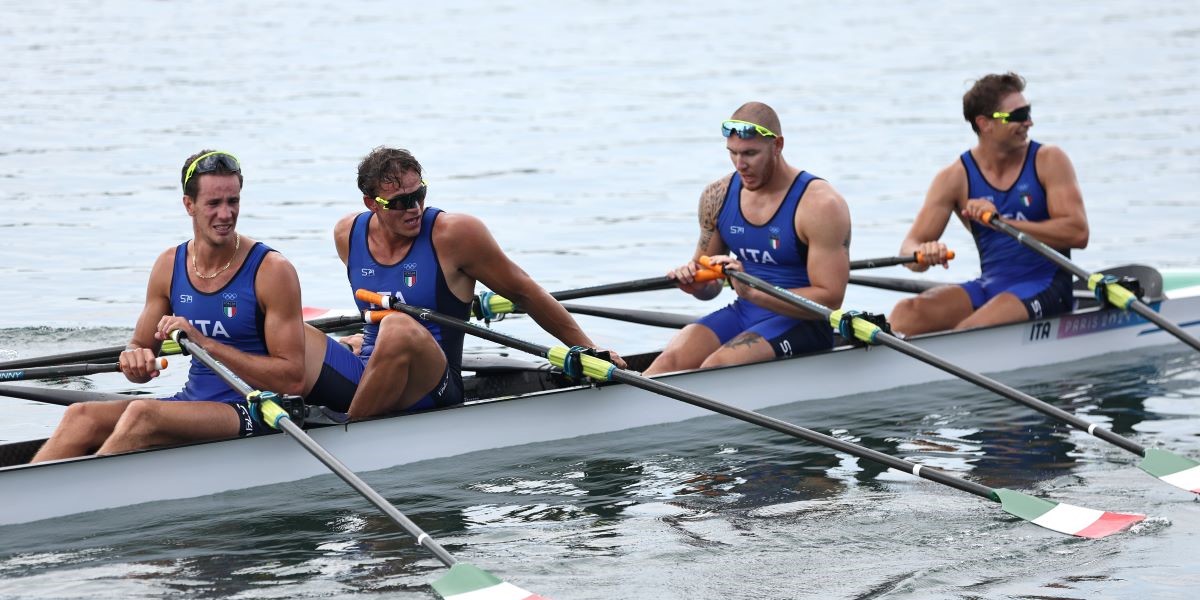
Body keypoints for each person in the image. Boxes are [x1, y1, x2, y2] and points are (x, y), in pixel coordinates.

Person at [32, 150, 346, 462]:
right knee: (81, 415)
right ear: (189, 204)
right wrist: (136, 359)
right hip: (196, 401)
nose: (226, 215)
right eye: (214, 204)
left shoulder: (271, 270)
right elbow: (141, 349)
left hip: (256, 407)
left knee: (142, 413)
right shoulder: (169, 265)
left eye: (233, 202)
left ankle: (81, 499)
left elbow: (291, 379)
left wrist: (204, 343)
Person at [331, 146, 625, 418]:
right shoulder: (348, 233)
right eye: (401, 202)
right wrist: (366, 339)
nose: (415, 208)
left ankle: (349, 428)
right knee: (295, 335)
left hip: (434, 384)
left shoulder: (455, 235)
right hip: (371, 367)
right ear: (372, 204)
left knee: (397, 326)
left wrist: (588, 349)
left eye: (420, 194)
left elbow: (524, 292)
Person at [643, 102, 852, 376]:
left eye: (751, 154)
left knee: (715, 369)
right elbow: (709, 284)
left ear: (777, 146)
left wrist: (752, 290)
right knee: (667, 364)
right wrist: (694, 283)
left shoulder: (821, 205)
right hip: (744, 311)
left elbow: (830, 299)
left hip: (803, 322)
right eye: (733, 153)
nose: (740, 165)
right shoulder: (717, 196)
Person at [887, 72, 1089, 335]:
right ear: (984, 124)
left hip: (1047, 285)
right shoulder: (954, 177)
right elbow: (909, 250)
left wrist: (1002, 222)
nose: (1029, 122)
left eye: (1027, 112)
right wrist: (924, 254)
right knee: (906, 314)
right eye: (1017, 116)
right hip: (992, 286)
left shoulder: (1048, 160)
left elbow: (1078, 232)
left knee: (972, 329)